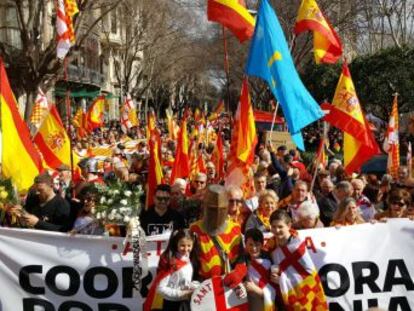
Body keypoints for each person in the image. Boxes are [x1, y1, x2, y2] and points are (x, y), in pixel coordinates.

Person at [269, 209, 328, 310]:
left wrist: (282, 280)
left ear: (289, 225)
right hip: (287, 297)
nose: (277, 230)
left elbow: (309, 275)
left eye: (280, 227)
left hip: (307, 293)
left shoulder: (297, 246)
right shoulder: (271, 247)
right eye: (274, 227)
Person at [190, 184, 247, 287]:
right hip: (203, 288)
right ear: (205, 207)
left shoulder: (234, 229)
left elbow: (241, 259)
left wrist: (238, 273)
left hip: (227, 286)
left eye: (221, 209)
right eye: (212, 209)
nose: (216, 213)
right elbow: (189, 262)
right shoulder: (194, 230)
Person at [144, 229, 200, 311]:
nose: (186, 249)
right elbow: (160, 288)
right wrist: (181, 294)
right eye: (182, 245)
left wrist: (194, 286)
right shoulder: (170, 262)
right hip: (171, 304)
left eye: (189, 245)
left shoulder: (189, 259)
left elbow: (184, 281)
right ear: (176, 243)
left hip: (185, 302)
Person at [243, 228, 276, 311]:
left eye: (257, 245)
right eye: (250, 244)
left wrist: (257, 290)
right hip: (247, 304)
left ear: (262, 245)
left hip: (263, 305)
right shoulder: (242, 260)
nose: (254, 248)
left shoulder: (267, 263)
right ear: (245, 244)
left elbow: (274, 291)